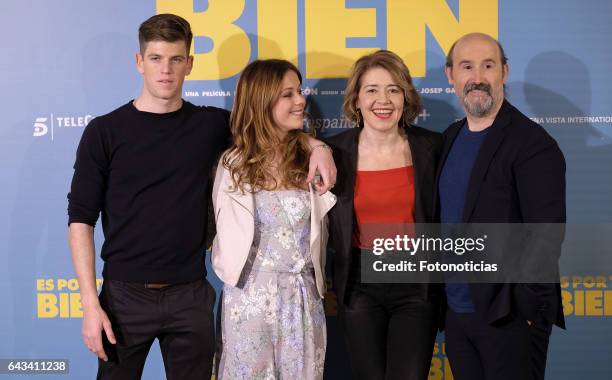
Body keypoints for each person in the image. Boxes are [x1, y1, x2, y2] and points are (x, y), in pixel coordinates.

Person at [67, 14, 336, 380]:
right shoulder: (104, 132)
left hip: (191, 294)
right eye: (156, 58)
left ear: (189, 64)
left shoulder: (212, 126)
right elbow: (81, 219)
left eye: (176, 59)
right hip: (124, 296)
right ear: (139, 62)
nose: (166, 70)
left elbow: (267, 127)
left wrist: (316, 144)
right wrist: (89, 304)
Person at [434, 32, 566, 380]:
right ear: (450, 75)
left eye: (488, 65)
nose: (477, 77)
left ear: (504, 72)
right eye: (466, 66)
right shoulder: (450, 137)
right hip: (458, 314)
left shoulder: (533, 144)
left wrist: (525, 310)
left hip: (508, 317)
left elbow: (546, 236)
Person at [211, 59, 336, 379]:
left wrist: (317, 145)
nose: (300, 101)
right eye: (287, 94)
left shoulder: (313, 159)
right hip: (248, 298)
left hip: (302, 298)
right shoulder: (233, 164)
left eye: (300, 91)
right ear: (262, 100)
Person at [325, 50, 441, 380]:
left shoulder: (432, 148)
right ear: (357, 99)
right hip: (359, 282)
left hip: (416, 283)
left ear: (405, 97)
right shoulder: (333, 152)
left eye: (393, 89)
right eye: (372, 90)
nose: (383, 100)